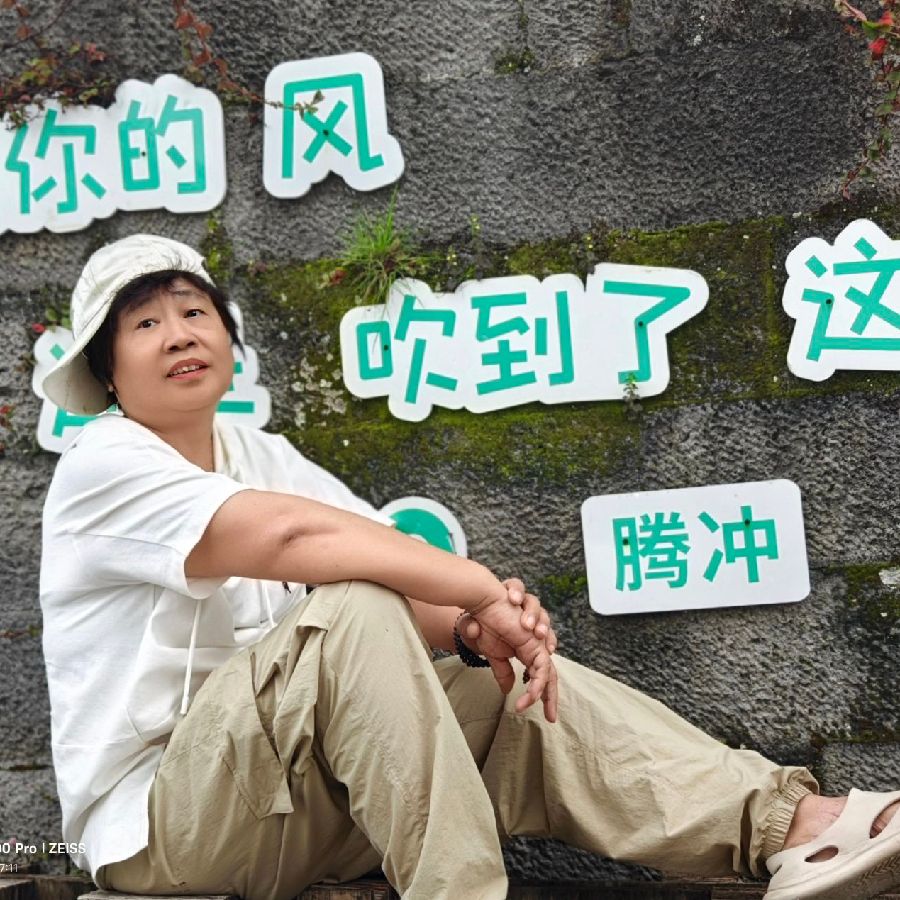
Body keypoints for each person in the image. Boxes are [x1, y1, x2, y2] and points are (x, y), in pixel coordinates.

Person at [38, 234, 899, 900]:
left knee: (504, 685)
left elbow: (387, 575)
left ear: (228, 338)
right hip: (167, 827)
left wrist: (472, 627)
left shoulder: (257, 452)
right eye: (143, 324)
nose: (178, 335)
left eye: (194, 312)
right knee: (350, 606)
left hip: (299, 812)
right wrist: (478, 587)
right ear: (107, 372)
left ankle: (795, 827)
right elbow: (296, 544)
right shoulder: (102, 464)